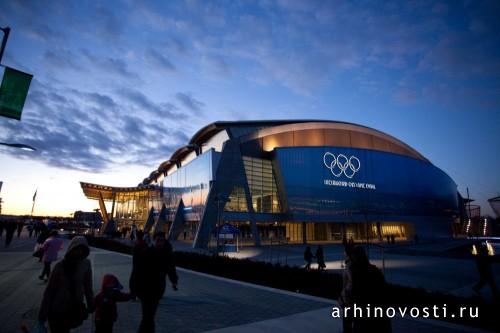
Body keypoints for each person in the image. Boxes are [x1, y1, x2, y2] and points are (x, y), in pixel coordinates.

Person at [38, 236, 95, 333]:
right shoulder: (60, 266)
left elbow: (88, 287)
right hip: (57, 309)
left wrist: (91, 305)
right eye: (77, 249)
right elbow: (49, 291)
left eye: (82, 250)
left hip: (73, 308)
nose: (79, 252)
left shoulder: (86, 264)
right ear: (71, 248)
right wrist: (42, 315)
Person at [130, 232, 178, 333]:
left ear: (164, 242)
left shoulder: (167, 255)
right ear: (153, 241)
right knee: (148, 317)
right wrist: (134, 288)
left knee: (149, 317)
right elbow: (136, 271)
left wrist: (174, 281)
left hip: (157, 290)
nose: (159, 243)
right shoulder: (146, 253)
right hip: (145, 289)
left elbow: (171, 269)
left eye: (161, 240)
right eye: (157, 240)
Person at [339, 245, 391, 333]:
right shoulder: (375, 271)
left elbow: (350, 296)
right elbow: (384, 292)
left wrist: (344, 302)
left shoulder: (355, 275)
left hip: (363, 320)